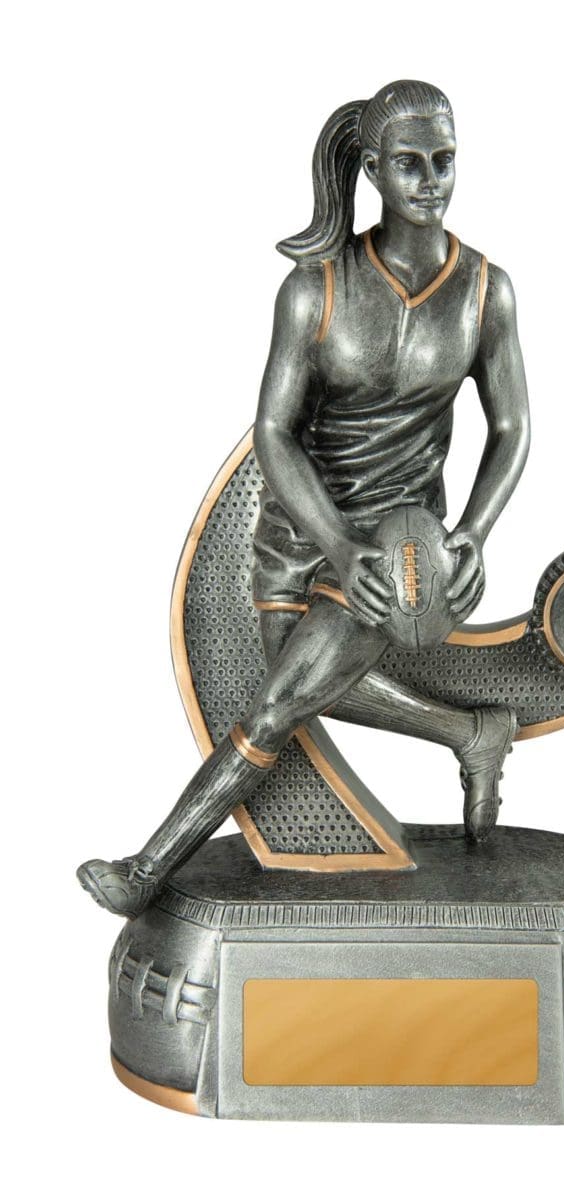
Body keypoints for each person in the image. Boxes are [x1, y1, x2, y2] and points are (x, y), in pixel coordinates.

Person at [78, 80, 531, 918]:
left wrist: (472, 531)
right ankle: (471, 732)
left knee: (277, 706)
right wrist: (334, 542)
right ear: (372, 171)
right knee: (301, 678)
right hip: (304, 529)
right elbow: (274, 432)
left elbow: (513, 427)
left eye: (444, 160)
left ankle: (147, 869)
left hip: (396, 542)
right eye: (409, 163)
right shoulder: (314, 289)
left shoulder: (484, 291)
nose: (431, 180)